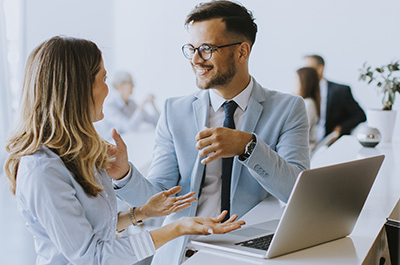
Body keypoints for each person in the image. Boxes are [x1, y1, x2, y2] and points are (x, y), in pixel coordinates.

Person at [4, 36, 245, 265]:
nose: (108, 90)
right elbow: (92, 256)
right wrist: (178, 228)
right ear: (79, 88)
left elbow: (95, 228)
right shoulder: (42, 169)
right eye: (103, 78)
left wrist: (142, 212)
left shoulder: (75, 151)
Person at [113, 1, 310, 264]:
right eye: (192, 49)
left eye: (206, 49)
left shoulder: (287, 109)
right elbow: (158, 200)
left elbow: (297, 192)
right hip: (184, 252)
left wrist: (248, 147)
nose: (196, 59)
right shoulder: (174, 111)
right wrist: (124, 175)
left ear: (242, 52)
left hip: (249, 252)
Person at [303, 54, 366, 144]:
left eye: (309, 69)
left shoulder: (340, 91)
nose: (306, 74)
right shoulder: (303, 92)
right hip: (307, 143)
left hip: (330, 143)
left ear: (320, 69)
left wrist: (340, 128)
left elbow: (360, 115)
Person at [95, 71, 160, 139]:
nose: (133, 85)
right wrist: (142, 105)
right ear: (118, 86)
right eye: (130, 82)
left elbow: (157, 122)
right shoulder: (110, 107)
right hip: (108, 144)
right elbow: (129, 127)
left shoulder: (132, 104)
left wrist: (152, 104)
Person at [295, 67, 320, 153]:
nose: (293, 84)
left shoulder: (307, 104)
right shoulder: (308, 102)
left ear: (303, 83)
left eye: (295, 80)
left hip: (304, 151)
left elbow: (299, 133)